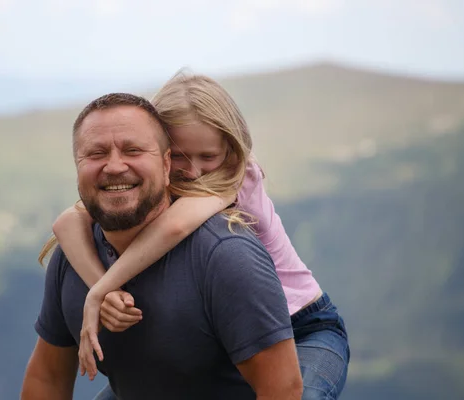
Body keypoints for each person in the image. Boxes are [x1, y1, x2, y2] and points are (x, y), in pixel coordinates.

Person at [50, 72, 350, 399]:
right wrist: (104, 289)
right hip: (229, 336)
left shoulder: (236, 177)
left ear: (230, 151)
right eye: (179, 155)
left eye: (208, 157)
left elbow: (175, 227)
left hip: (303, 328)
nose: (193, 172)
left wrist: (100, 291)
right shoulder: (155, 184)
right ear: (162, 153)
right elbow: (68, 223)